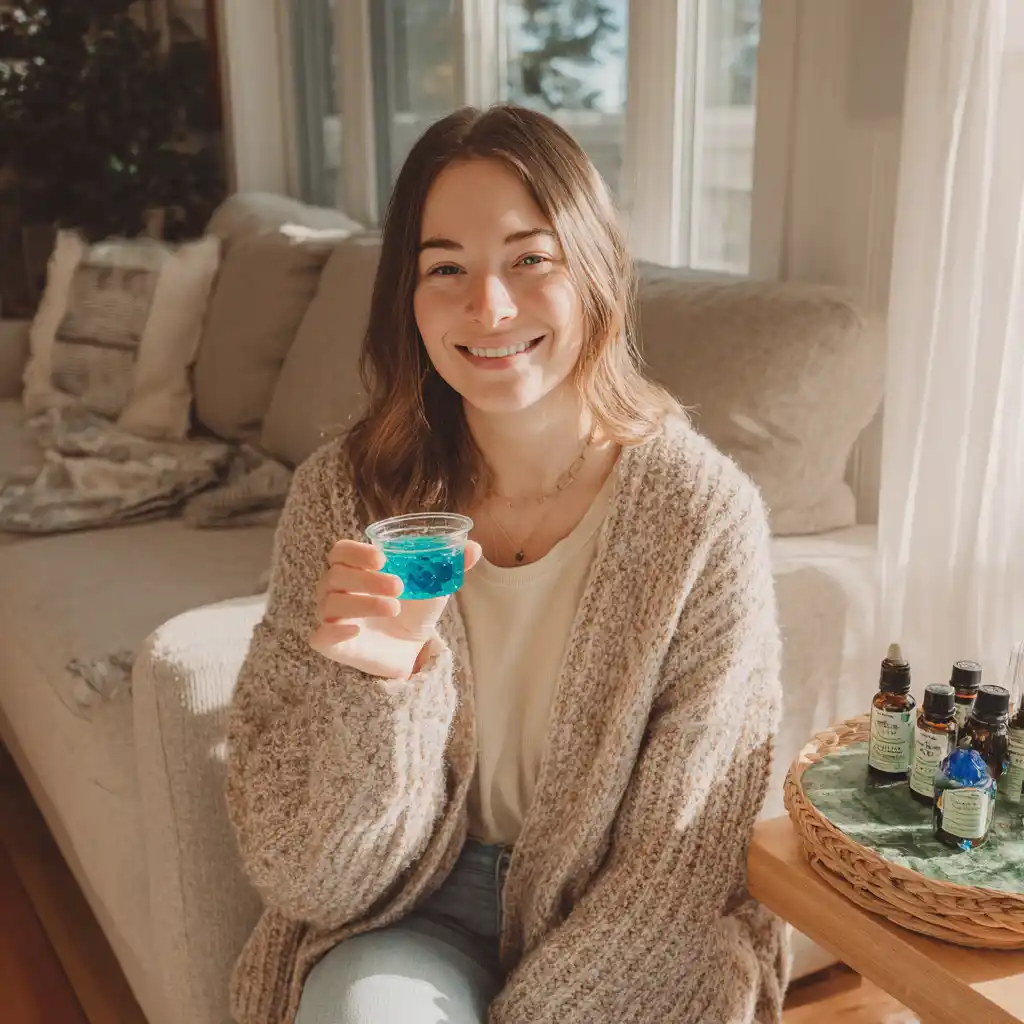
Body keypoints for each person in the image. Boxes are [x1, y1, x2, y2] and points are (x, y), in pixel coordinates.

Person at [225, 104, 787, 1024]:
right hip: (410, 908)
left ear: (594, 271)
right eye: (445, 268)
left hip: (621, 926)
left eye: (531, 259)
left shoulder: (699, 518)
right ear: (406, 299)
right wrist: (380, 691)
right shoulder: (346, 498)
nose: (489, 308)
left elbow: (678, 867)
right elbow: (308, 878)